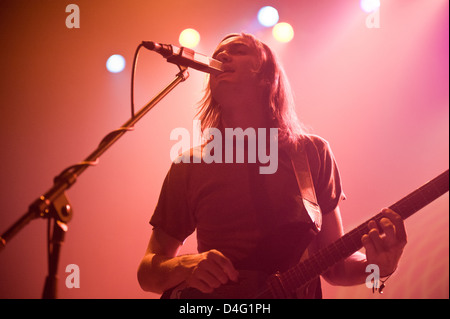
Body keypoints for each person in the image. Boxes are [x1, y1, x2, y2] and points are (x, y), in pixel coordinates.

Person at [137, 33, 407, 298]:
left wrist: (379, 268)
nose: (222, 56)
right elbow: (148, 273)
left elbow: (335, 267)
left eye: (239, 50)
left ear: (268, 76)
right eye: (219, 53)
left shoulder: (312, 153)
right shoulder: (190, 164)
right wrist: (183, 266)